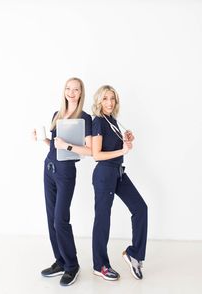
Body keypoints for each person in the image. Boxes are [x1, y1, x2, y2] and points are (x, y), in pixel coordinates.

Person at [34, 77, 92, 286]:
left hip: (66, 172)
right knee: (51, 219)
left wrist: (66, 145)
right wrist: (43, 140)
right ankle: (60, 260)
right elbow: (54, 146)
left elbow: (90, 151)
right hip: (48, 168)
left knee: (61, 220)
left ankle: (72, 265)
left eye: (76, 89)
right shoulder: (56, 115)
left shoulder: (84, 118)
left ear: (81, 93)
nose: (71, 92)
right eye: (68, 88)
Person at [91, 85, 148, 281]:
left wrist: (126, 138)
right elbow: (96, 155)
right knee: (103, 219)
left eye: (112, 99)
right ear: (99, 101)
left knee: (140, 208)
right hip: (104, 174)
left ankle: (134, 253)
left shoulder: (113, 121)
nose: (109, 102)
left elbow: (115, 145)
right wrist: (122, 151)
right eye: (105, 98)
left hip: (118, 173)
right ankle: (100, 265)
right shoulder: (98, 121)